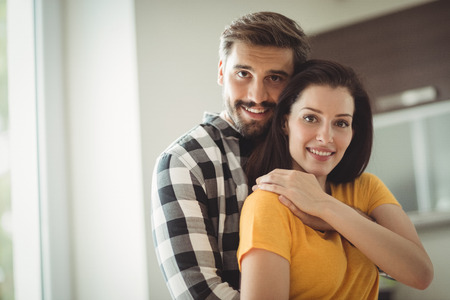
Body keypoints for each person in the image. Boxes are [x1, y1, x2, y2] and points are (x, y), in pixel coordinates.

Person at [238, 59, 434, 299]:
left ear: (353, 132)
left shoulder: (366, 188)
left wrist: (327, 208)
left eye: (341, 123)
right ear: (285, 123)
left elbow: (420, 274)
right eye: (311, 118)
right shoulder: (267, 205)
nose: (326, 137)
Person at [151, 11, 310, 299]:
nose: (257, 95)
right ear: (222, 71)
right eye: (243, 73)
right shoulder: (183, 162)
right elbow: (199, 292)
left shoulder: (312, 150)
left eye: (274, 77)